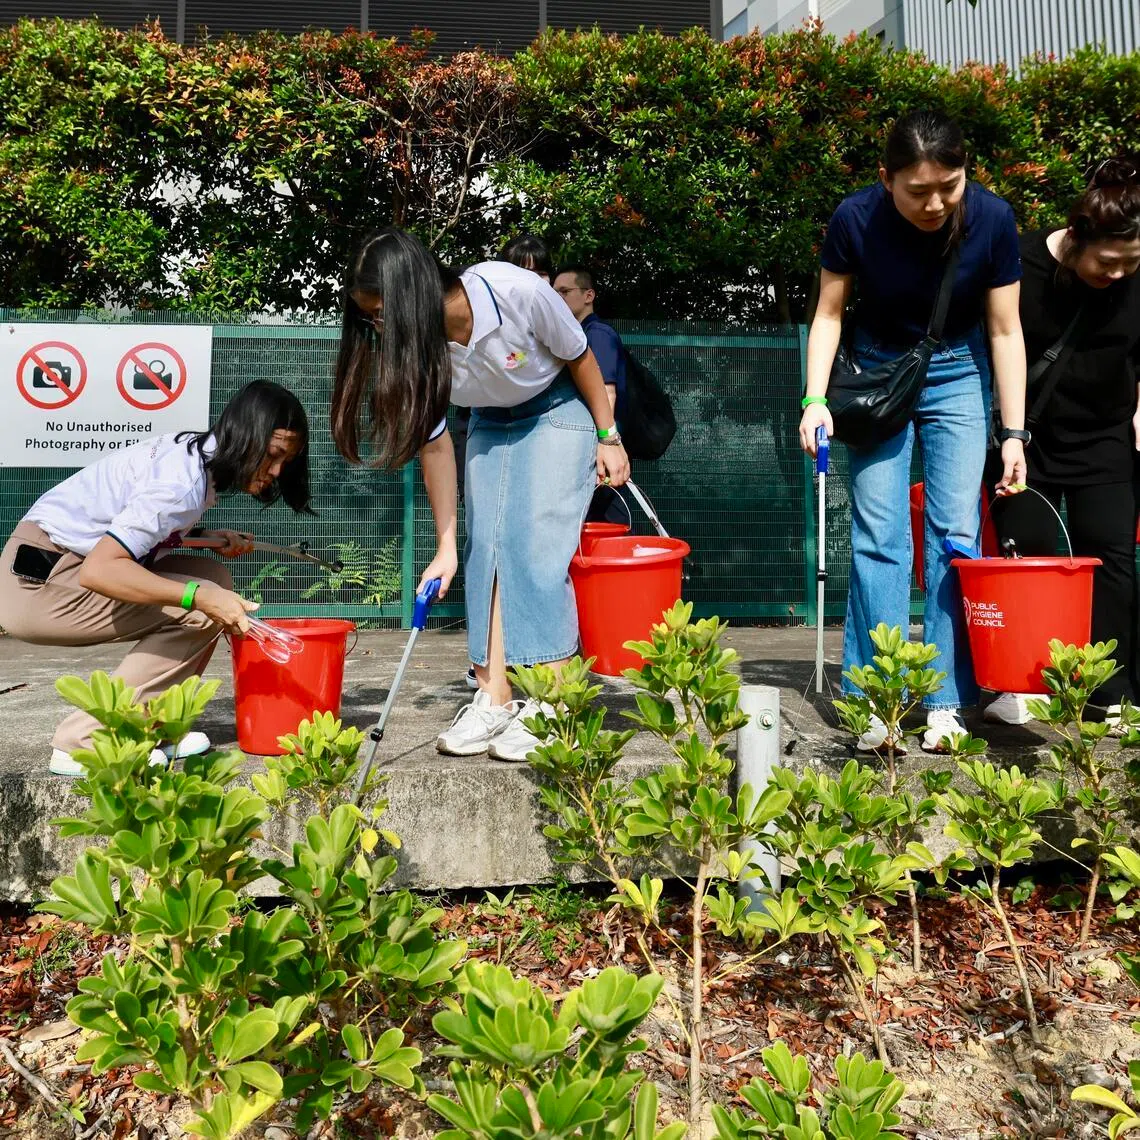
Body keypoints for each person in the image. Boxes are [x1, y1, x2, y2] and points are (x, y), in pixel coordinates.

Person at [331, 227, 629, 762]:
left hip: (557, 407)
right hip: (491, 422)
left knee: (534, 549)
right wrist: (446, 546)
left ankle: (553, 704)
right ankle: (493, 698)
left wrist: (608, 436)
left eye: (379, 315)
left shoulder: (516, 291)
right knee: (485, 552)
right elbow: (436, 448)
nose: (376, 328)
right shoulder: (417, 354)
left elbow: (581, 357)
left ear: (411, 297)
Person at [798, 110, 1028, 753]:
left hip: (958, 370)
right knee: (880, 534)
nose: (934, 203)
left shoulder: (991, 218)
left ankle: (947, 701)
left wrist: (1013, 433)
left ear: (965, 173)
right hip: (875, 376)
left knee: (955, 533)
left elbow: (1006, 330)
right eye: (917, 190)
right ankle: (877, 698)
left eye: (948, 186)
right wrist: (816, 399)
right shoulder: (855, 219)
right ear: (886, 180)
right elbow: (829, 313)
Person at [0, 380, 312, 775]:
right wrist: (197, 598)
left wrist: (206, 540)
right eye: (273, 455)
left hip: (52, 563)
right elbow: (101, 569)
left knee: (210, 576)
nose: (278, 471)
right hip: (38, 584)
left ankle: (151, 725)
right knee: (202, 606)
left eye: (287, 461)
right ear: (246, 434)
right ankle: (87, 741)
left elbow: (133, 529)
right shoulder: (181, 484)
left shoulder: (192, 457)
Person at [986, 157, 1140, 726]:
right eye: (1107, 263)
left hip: (1106, 438)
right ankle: (1022, 685)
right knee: (1028, 559)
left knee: (1113, 560)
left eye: (1131, 263)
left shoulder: (1133, 276)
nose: (1119, 275)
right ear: (1075, 240)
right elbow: (999, 344)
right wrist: (1011, 433)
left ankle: (1111, 691)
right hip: (1026, 437)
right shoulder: (1021, 262)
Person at [552, 266, 631, 524]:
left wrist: (605, 443)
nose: (557, 298)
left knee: (609, 528)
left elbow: (608, 393)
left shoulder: (596, 335)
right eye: (554, 293)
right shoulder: (574, 336)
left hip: (597, 452)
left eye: (565, 291)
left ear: (589, 296)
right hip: (587, 450)